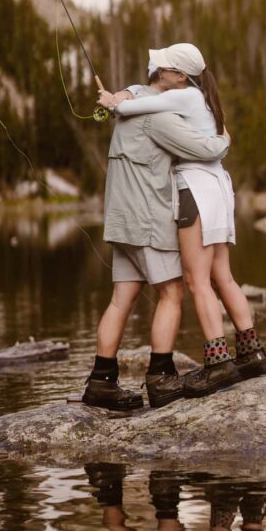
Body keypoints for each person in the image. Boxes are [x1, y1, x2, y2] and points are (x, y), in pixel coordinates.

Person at [98, 43, 266, 399]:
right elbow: (207, 145)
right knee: (214, 278)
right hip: (209, 192)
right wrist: (223, 139)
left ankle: (209, 363)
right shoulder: (196, 100)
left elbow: (143, 105)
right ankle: (250, 353)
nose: (154, 70)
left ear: (178, 75)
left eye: (161, 67)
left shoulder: (164, 107)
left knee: (190, 284)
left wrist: (117, 100)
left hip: (169, 200)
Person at [82, 61, 230, 412]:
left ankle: (101, 381)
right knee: (172, 292)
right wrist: (224, 137)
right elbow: (206, 149)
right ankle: (161, 376)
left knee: (122, 299)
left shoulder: (127, 108)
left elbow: (132, 92)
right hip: (147, 218)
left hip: (120, 219)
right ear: (164, 81)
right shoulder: (158, 116)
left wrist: (127, 92)